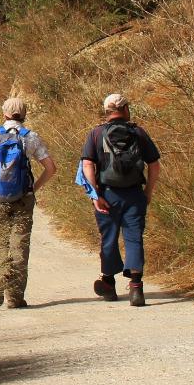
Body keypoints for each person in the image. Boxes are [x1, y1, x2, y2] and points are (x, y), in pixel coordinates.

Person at [0, 98, 56, 308]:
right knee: (20, 245)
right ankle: (15, 297)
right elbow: (51, 168)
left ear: (4, 113)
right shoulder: (30, 137)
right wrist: (33, 189)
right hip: (23, 198)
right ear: (24, 114)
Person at [77, 93, 163, 307]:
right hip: (134, 194)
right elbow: (154, 165)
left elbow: (87, 165)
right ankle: (136, 289)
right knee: (134, 238)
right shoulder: (138, 132)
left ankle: (109, 284)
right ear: (125, 109)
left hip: (107, 194)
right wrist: (148, 192)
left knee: (109, 239)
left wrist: (95, 194)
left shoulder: (96, 134)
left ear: (106, 111)